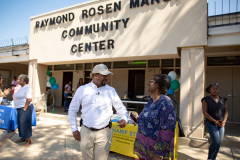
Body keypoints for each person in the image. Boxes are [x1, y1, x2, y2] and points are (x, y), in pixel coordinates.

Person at [68, 64, 128, 160]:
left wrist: (124, 118)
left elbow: (120, 108)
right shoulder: (82, 90)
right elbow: (72, 110)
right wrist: (74, 129)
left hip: (104, 132)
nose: (106, 78)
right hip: (86, 131)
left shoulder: (110, 91)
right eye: (104, 75)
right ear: (95, 75)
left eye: (107, 75)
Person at [132, 74, 176, 160]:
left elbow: (167, 129)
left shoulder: (165, 102)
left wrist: (159, 153)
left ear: (158, 85)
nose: (148, 83)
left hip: (155, 154)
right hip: (144, 150)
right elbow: (150, 121)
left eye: (151, 81)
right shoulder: (151, 101)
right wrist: (137, 119)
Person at [202, 83, 228, 160]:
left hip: (221, 124)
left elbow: (226, 111)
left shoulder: (223, 99)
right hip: (211, 123)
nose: (215, 90)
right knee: (215, 141)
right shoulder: (206, 99)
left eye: (217, 88)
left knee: (219, 142)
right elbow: (205, 112)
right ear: (210, 91)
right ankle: (210, 158)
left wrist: (224, 121)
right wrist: (215, 121)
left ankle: (214, 158)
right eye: (213, 89)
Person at [13, 74, 33, 147]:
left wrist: (25, 108)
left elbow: (29, 99)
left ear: (25, 81)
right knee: (20, 124)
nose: (18, 80)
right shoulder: (22, 88)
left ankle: (29, 140)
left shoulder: (27, 88)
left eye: (20, 79)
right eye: (18, 79)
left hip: (25, 108)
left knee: (25, 124)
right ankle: (23, 138)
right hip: (19, 108)